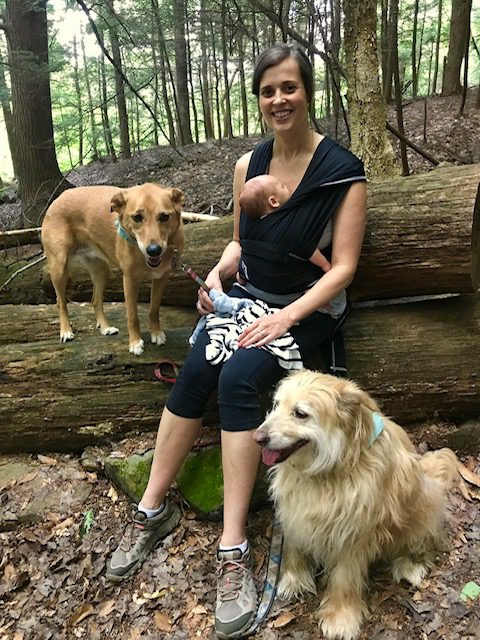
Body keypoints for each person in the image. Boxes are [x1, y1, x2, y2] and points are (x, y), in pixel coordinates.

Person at [106, 42, 367, 639]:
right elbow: (240, 240)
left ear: (308, 92)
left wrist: (283, 319)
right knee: (198, 369)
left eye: (289, 88)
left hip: (309, 307)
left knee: (238, 376)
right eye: (268, 90)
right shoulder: (247, 165)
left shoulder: (342, 171)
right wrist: (221, 276)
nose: (279, 99)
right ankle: (152, 510)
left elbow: (343, 268)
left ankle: (232, 549)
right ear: (259, 99)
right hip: (249, 295)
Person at [239, 173, 332, 272]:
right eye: (282, 186)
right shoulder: (287, 226)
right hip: (291, 269)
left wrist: (241, 273)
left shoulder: (254, 228)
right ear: (274, 202)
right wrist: (324, 265)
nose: (287, 187)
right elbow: (308, 249)